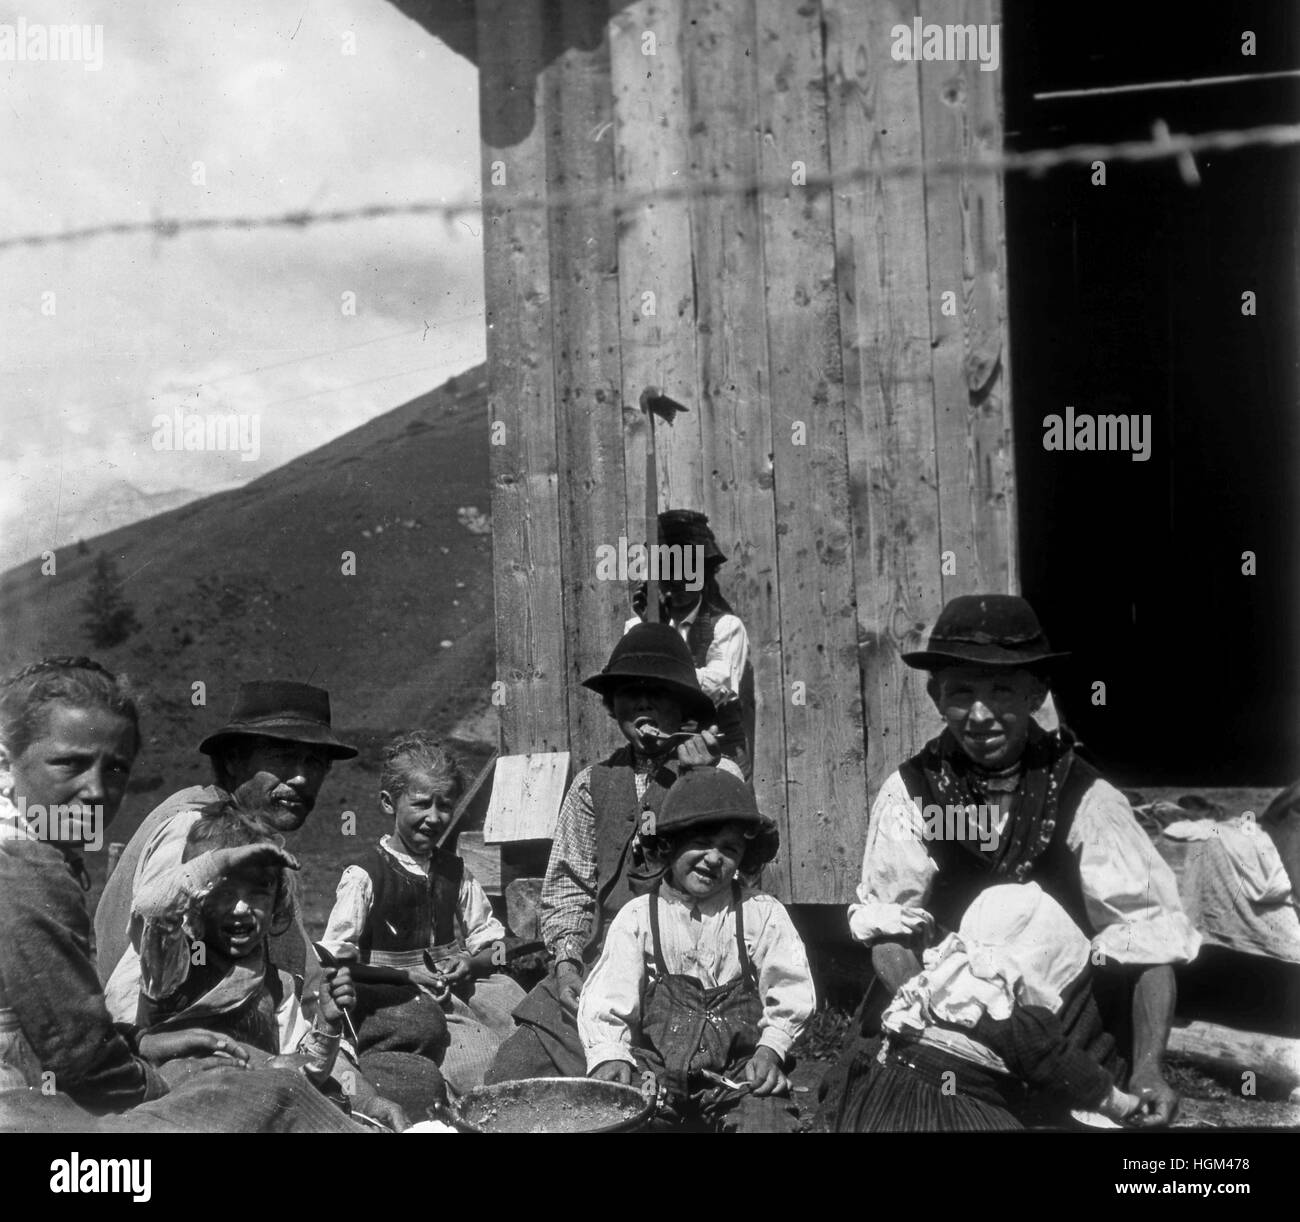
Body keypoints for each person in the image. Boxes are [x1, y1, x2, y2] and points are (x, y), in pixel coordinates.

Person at [819, 595, 1200, 1128]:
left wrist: (1149, 1070)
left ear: (1036, 693)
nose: (980, 715)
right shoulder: (912, 793)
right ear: (935, 696)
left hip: (1064, 1027)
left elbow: (1149, 942)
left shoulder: (1087, 798)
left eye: (1002, 690)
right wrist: (939, 1013)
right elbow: (890, 933)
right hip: (939, 1018)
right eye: (961, 692)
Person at [0, 657, 368, 1133]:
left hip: (93, 1064)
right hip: (36, 1101)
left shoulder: (44, 849)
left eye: (115, 768)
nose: (95, 791)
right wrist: (159, 1073)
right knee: (272, 1094)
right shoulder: (192, 830)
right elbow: (86, 1048)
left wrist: (137, 1046)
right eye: (282, 758)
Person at [97, 678, 406, 1129]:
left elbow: (301, 990)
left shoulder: (262, 849)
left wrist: (363, 1095)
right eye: (283, 758)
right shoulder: (196, 831)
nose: (302, 777)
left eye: (315, 762)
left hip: (261, 1049)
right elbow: (135, 980)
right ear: (234, 760)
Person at [486, 623, 744, 1083]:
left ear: (683, 706)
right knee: (515, 1070)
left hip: (690, 977)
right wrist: (567, 963)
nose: (643, 703)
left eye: (658, 693)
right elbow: (569, 887)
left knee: (657, 1093)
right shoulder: (593, 785)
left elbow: (746, 873)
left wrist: (701, 783)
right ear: (614, 707)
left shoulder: (720, 772)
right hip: (601, 968)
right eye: (629, 692)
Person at [579, 768, 813, 1131]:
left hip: (739, 1076)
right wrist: (610, 1054)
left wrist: (771, 1050)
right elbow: (608, 997)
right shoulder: (640, 916)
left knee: (768, 1123)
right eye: (702, 842)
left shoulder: (761, 913)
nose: (714, 858)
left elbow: (791, 990)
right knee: (622, 1121)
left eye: (730, 849)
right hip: (655, 1075)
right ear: (669, 843)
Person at [831, 883, 1146, 1131]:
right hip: (959, 1112)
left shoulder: (939, 981)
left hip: (881, 1094)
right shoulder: (1015, 1021)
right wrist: (1125, 1105)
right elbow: (1067, 1070)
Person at [321, 731, 525, 1095]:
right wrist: (402, 976)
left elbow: (494, 946)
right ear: (389, 803)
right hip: (393, 995)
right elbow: (335, 962)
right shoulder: (365, 877)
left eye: (444, 805)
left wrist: (471, 964)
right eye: (421, 804)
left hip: (455, 986)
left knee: (519, 1020)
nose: (434, 817)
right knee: (481, 1065)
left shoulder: (454, 871)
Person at [132, 792, 362, 1104]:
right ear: (196, 897)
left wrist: (328, 1024)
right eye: (224, 890)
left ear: (277, 899)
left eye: (258, 892)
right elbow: (152, 906)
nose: (241, 908)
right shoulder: (175, 961)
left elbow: (298, 1075)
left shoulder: (277, 986)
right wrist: (218, 862)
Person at [628, 509, 753, 779]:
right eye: (670, 570)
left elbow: (716, 688)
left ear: (706, 574)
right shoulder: (636, 628)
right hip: (659, 753)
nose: (679, 581)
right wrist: (652, 629)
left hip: (718, 752)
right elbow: (631, 685)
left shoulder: (726, 627)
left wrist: (660, 640)